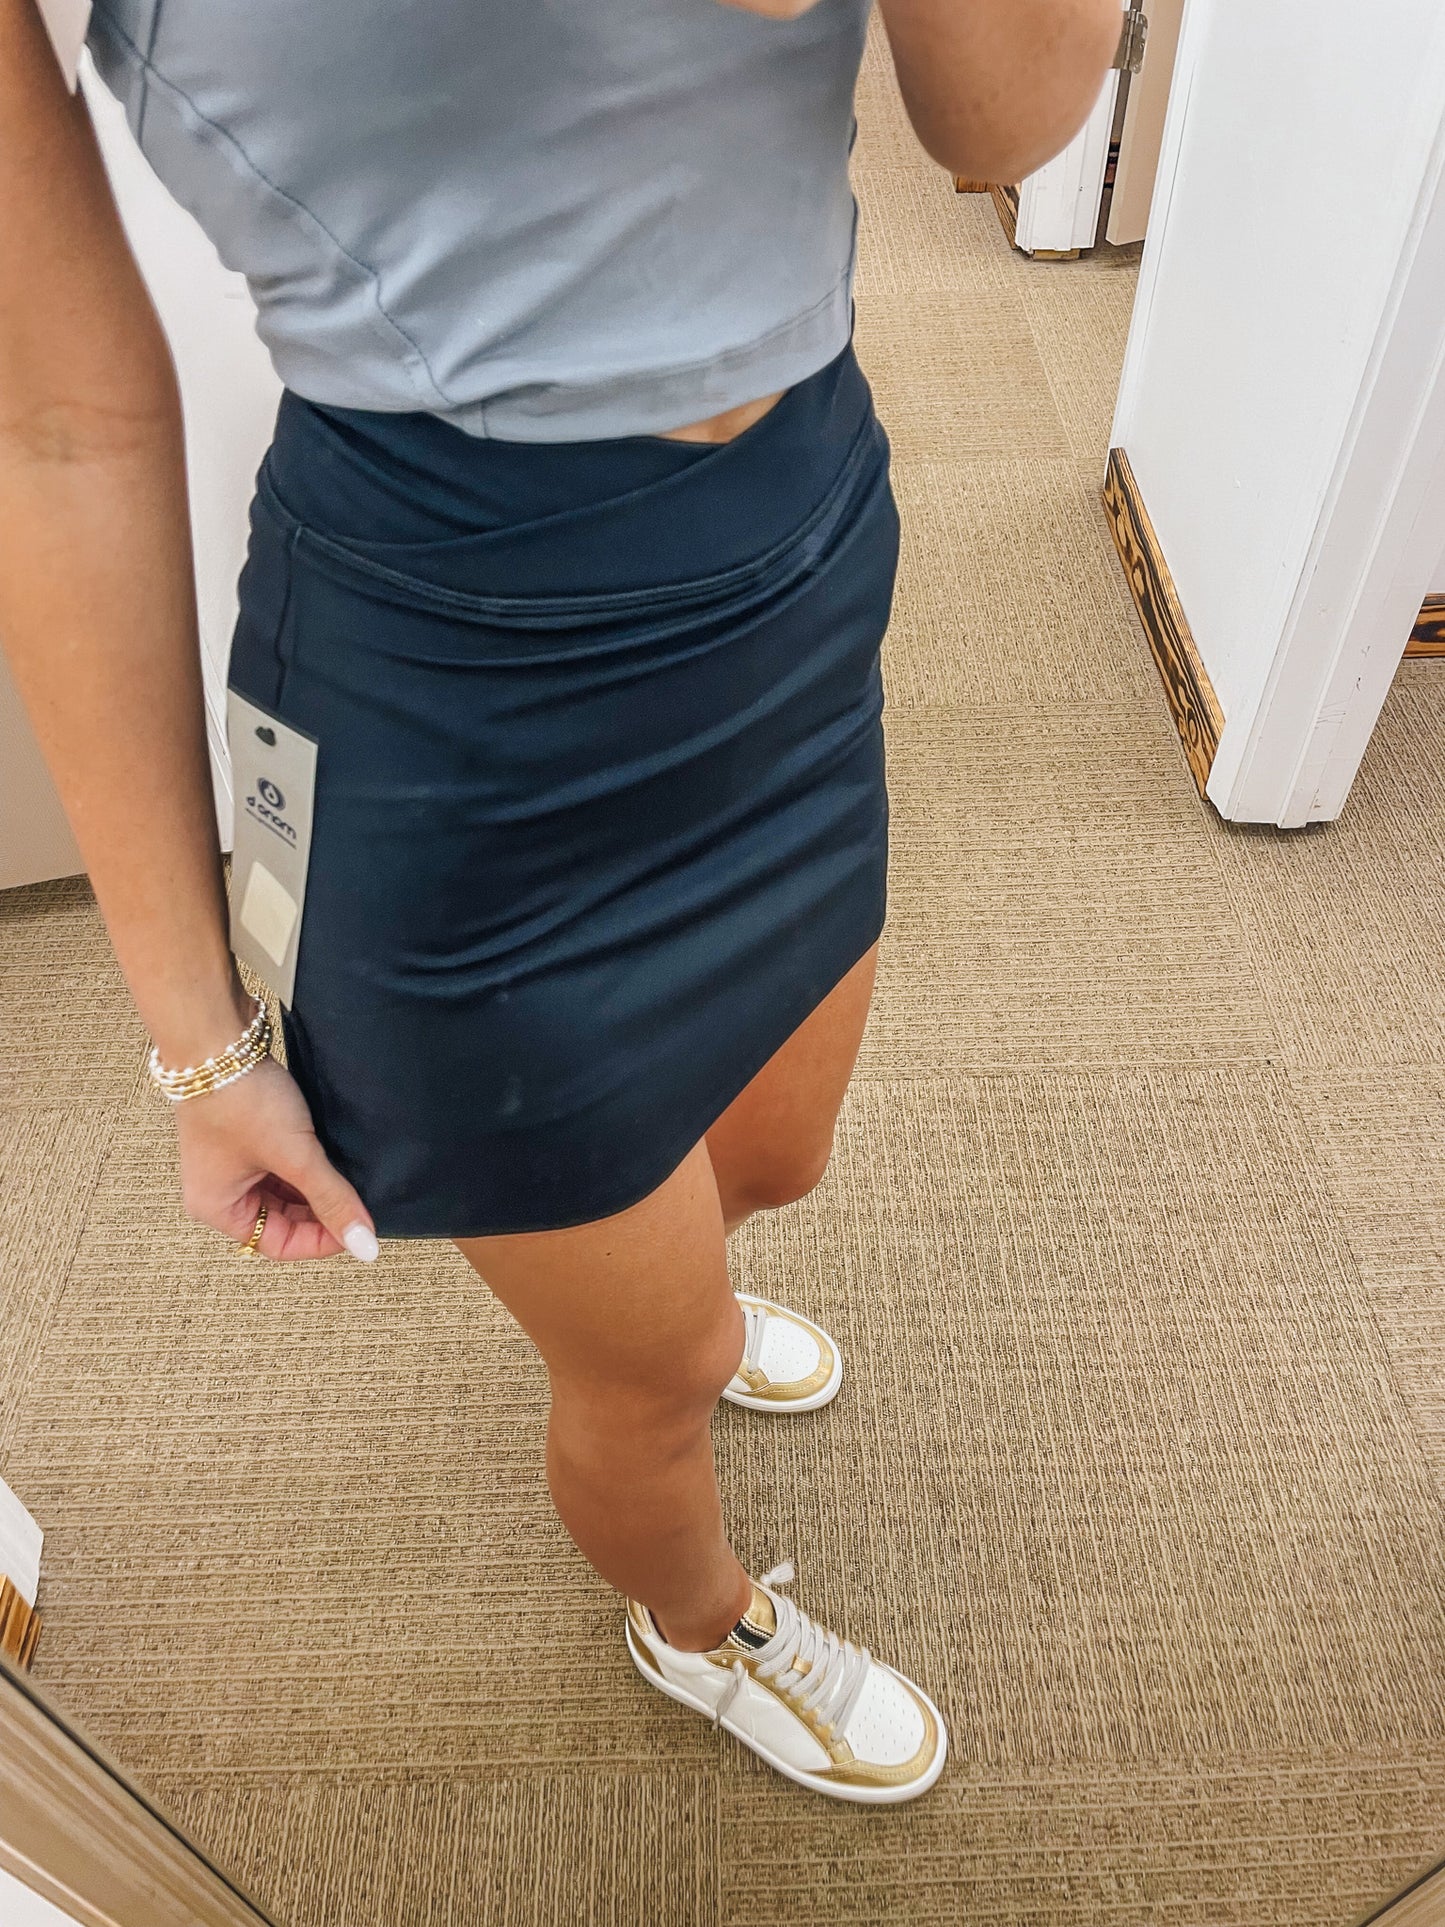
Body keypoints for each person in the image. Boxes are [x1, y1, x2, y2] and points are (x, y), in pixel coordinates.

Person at [0, 0, 1118, 1803]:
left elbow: (1001, 127)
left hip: (795, 566)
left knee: (772, 1162)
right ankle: (699, 1620)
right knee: (652, 1373)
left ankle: (670, 1297)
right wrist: (200, 1047)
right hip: (450, 718)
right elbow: (51, 431)